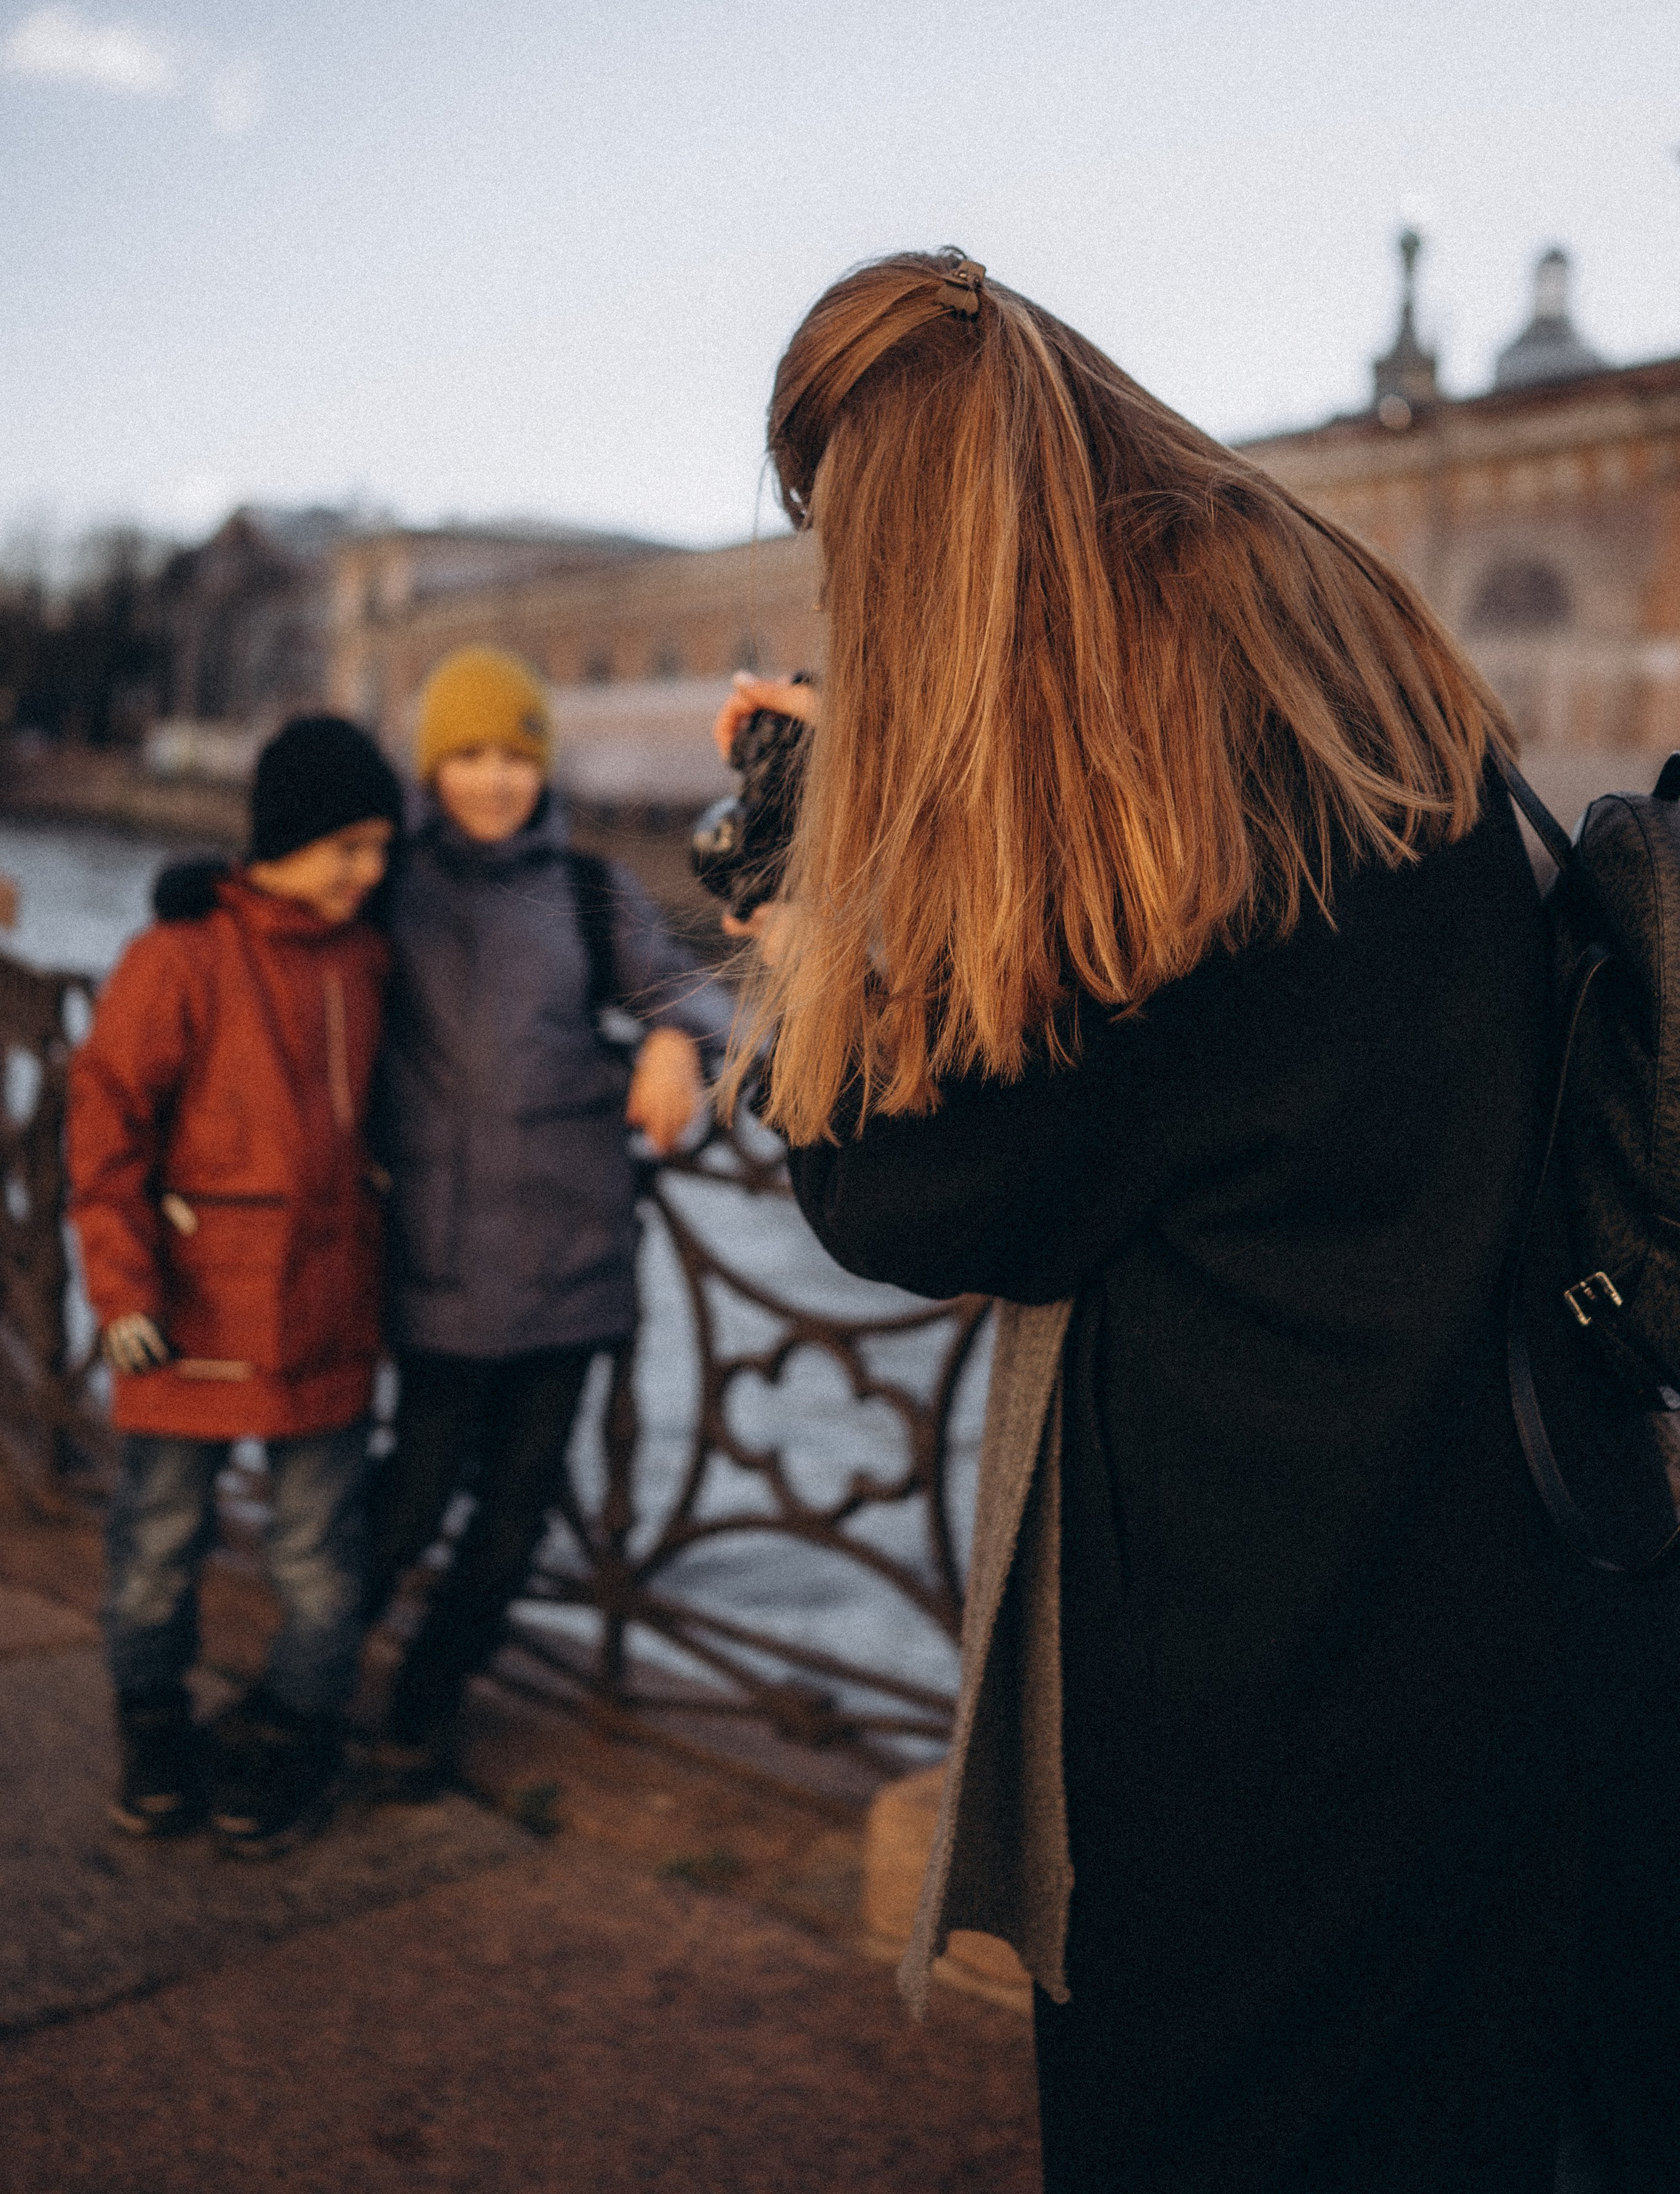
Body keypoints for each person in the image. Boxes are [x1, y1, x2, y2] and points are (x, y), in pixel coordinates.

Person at [717, 251, 1581, 2192]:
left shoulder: (1142, 786)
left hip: (1247, 1634)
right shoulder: (1327, 623)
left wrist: (792, 868)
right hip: (1507, 1548)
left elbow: (901, 1188)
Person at [366, 644, 732, 1790]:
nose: (493, 779)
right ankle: (308, 1684)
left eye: (515, 756)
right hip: (435, 1266)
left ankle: (421, 1707)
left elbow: (699, 993)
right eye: (467, 755)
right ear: (431, 768)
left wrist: (674, 1042)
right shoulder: (388, 885)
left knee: (513, 1522)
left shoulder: (585, 888)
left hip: (569, 1267)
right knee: (406, 1503)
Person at [69, 715, 402, 1853]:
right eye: (349, 848)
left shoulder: (364, 956)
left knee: (318, 1555)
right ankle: (153, 1724)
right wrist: (122, 1292)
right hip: (191, 1316)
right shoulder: (179, 958)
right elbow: (105, 1134)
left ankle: (295, 1730)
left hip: (323, 1314)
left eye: (381, 848)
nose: (370, 871)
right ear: (286, 840)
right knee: (159, 1541)